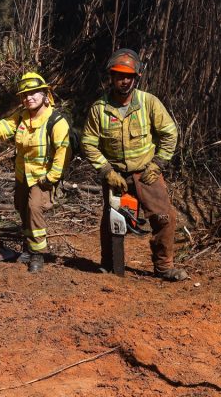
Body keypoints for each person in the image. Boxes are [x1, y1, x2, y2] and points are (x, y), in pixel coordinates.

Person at [81, 48, 187, 281]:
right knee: (111, 219)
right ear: (112, 77)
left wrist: (158, 163)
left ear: (136, 77)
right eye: (119, 76)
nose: (124, 80)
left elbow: (170, 133)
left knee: (164, 217)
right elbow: (88, 143)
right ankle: (109, 265)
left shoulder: (149, 103)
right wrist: (106, 171)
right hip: (115, 174)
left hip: (146, 172)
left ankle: (164, 266)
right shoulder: (99, 109)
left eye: (129, 76)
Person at [0, 72, 71, 272]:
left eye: (34, 93)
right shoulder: (21, 116)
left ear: (45, 94)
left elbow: (62, 152)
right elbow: (2, 129)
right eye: (25, 95)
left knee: (34, 208)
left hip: (43, 177)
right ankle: (29, 246)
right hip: (22, 176)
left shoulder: (56, 121)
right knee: (22, 208)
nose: (29, 98)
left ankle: (38, 255)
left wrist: (51, 178)